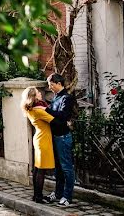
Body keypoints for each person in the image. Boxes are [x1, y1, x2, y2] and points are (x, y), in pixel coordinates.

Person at [44, 72, 76, 207]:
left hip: (63, 137)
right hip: (55, 137)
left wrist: (46, 110)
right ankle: (57, 194)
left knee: (67, 168)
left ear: (58, 83)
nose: (50, 87)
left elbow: (62, 116)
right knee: (58, 169)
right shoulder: (56, 97)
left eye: (51, 84)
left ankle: (67, 196)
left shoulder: (67, 98)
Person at [22, 86, 56, 204]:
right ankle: (39, 197)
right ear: (34, 97)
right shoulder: (39, 110)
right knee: (41, 170)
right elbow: (54, 120)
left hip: (39, 138)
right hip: (44, 140)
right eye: (38, 93)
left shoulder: (31, 109)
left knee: (37, 168)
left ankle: (36, 195)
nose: (40, 94)